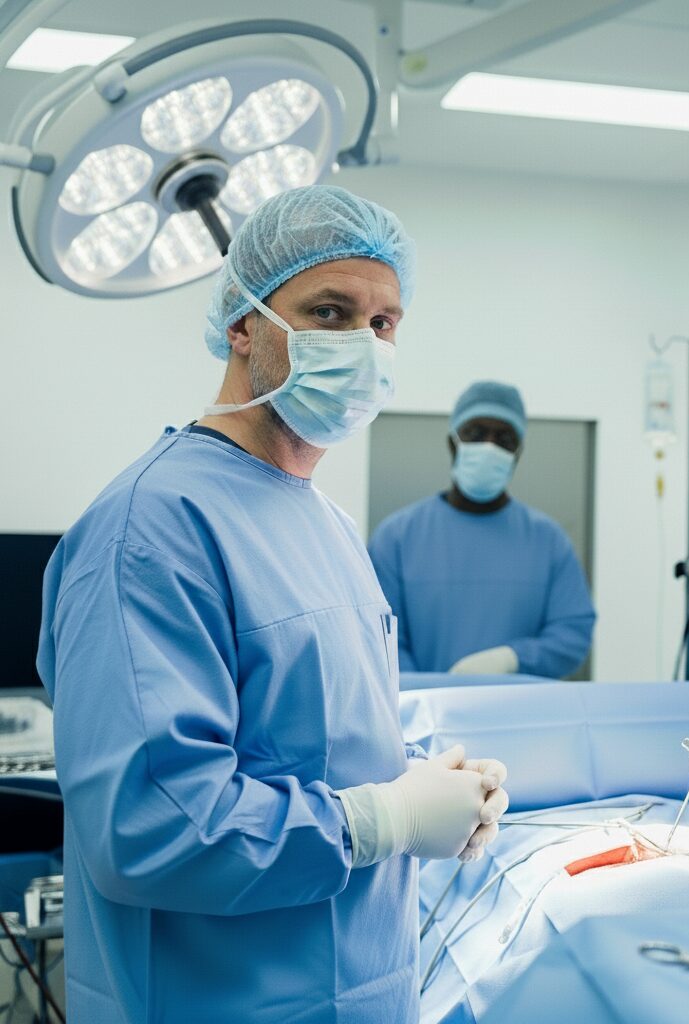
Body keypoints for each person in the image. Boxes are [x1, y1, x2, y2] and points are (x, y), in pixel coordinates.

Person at [36, 185, 509, 1023]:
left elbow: (324, 746)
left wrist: (430, 787)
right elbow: (151, 827)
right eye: (328, 311)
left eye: (382, 322)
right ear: (243, 325)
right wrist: (387, 818)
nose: (361, 343)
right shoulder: (150, 529)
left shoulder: (326, 525)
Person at [369, 380, 596, 678]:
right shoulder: (396, 538)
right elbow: (377, 635)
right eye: (475, 434)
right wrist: (426, 694)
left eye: (504, 438)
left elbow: (573, 633)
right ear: (453, 442)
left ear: (518, 452)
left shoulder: (549, 541)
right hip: (422, 717)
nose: (489, 446)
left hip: (518, 717)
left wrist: (513, 659)